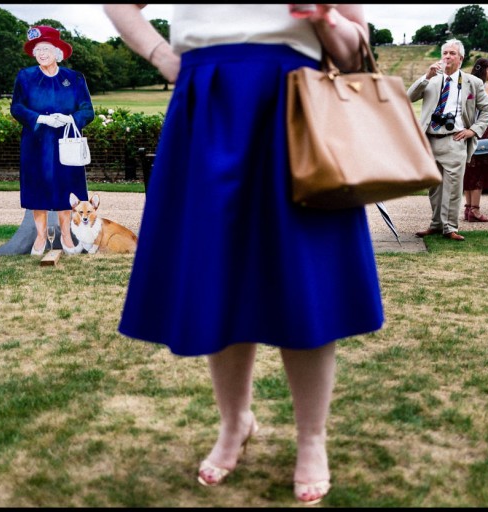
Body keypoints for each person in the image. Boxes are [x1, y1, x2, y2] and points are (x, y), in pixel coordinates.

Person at [103, 4, 383, 505]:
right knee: (219, 277)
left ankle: (311, 439)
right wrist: (164, 56)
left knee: (304, 281)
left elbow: (357, 47)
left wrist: (324, 17)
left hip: (297, 108)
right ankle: (235, 423)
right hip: (207, 104)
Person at [10, 25, 94, 255]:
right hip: (35, 143)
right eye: (37, 49)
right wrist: (40, 119)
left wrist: (69, 119)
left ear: (58, 51)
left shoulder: (74, 78)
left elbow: (88, 110)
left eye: (46, 48)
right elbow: (16, 107)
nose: (42, 53)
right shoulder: (25, 77)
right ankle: (40, 237)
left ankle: (67, 236)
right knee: (37, 189)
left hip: (65, 144)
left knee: (67, 188)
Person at [408, 39, 488, 241]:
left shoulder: (473, 82)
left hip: (455, 139)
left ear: (461, 58)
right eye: (445, 53)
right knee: (434, 187)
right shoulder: (432, 79)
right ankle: (436, 224)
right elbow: (409, 96)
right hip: (430, 139)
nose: (447, 56)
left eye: (452, 53)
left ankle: (450, 227)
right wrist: (426, 76)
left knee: (454, 187)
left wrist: (473, 130)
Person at [463, 58, 488, 223]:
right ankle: (475, 210)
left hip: (469, 128)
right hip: (483, 131)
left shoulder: (467, 85)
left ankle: (468, 207)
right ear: (485, 70)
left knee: (469, 170)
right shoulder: (487, 87)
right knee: (479, 171)